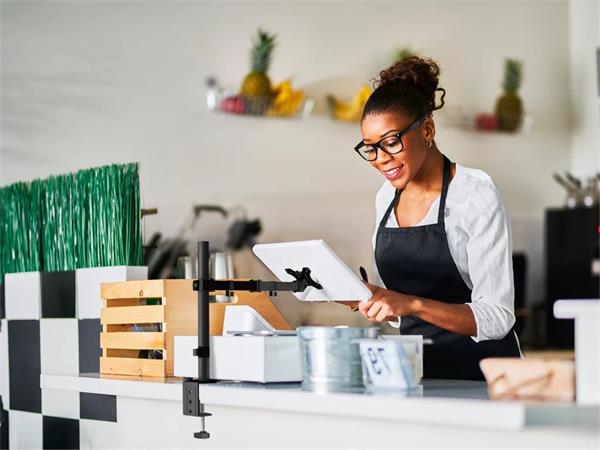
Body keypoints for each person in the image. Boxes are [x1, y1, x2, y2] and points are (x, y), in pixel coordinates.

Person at [349, 56, 521, 380]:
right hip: (419, 376)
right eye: (370, 148)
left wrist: (411, 304)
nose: (381, 159)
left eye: (390, 142)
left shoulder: (474, 194)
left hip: (485, 377)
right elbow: (402, 312)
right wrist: (376, 300)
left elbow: (498, 317)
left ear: (427, 129)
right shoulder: (385, 198)